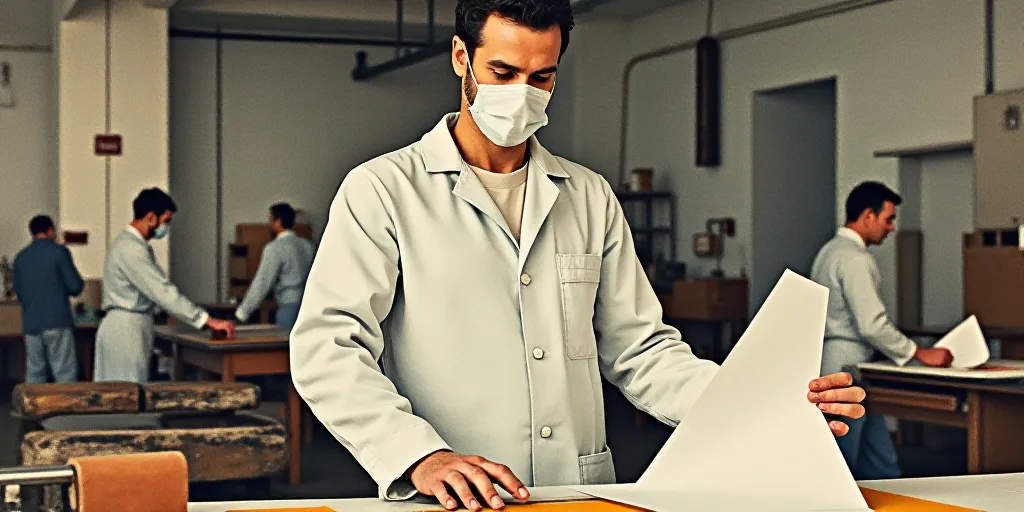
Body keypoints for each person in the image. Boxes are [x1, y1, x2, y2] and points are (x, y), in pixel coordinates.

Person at [291, 1, 867, 510]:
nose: (523, 93)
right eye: (503, 72)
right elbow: (328, 349)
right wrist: (419, 456)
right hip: (450, 498)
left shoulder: (588, 195)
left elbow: (643, 352)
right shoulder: (383, 191)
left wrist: (759, 401)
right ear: (461, 58)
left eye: (542, 76)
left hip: (577, 492)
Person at [811, 181, 953, 480]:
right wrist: (919, 352)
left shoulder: (828, 251)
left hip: (836, 357)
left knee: (879, 458)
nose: (891, 228)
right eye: (888, 219)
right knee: (842, 457)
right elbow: (871, 324)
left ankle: (891, 487)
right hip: (846, 362)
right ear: (867, 216)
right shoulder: (854, 258)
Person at [94, 188, 235, 382]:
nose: (166, 228)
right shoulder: (131, 249)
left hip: (127, 325)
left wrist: (171, 311)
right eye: (166, 221)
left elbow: (159, 290)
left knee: (120, 392)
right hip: (126, 329)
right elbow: (163, 292)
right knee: (127, 393)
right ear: (151, 217)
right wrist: (207, 320)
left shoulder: (132, 245)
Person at [12, 215, 84, 383]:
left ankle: (35, 407)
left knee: (35, 371)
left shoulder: (20, 257)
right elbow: (75, 286)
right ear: (50, 230)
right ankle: (65, 407)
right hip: (57, 320)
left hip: (31, 323)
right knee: (64, 371)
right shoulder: (59, 252)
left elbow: (18, 292)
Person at [234, 203, 315, 329]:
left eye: (271, 219)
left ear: (278, 222)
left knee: (285, 346)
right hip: (309, 308)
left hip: (288, 308)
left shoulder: (275, 248)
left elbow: (262, 282)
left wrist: (242, 313)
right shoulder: (308, 246)